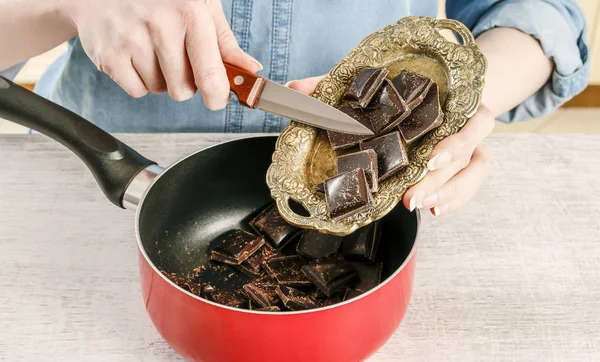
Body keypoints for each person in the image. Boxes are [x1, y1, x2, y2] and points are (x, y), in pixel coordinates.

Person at [0, 0, 589, 217]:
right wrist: (68, 5)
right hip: (79, 184)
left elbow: (544, 14)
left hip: (359, 193)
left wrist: (461, 103)